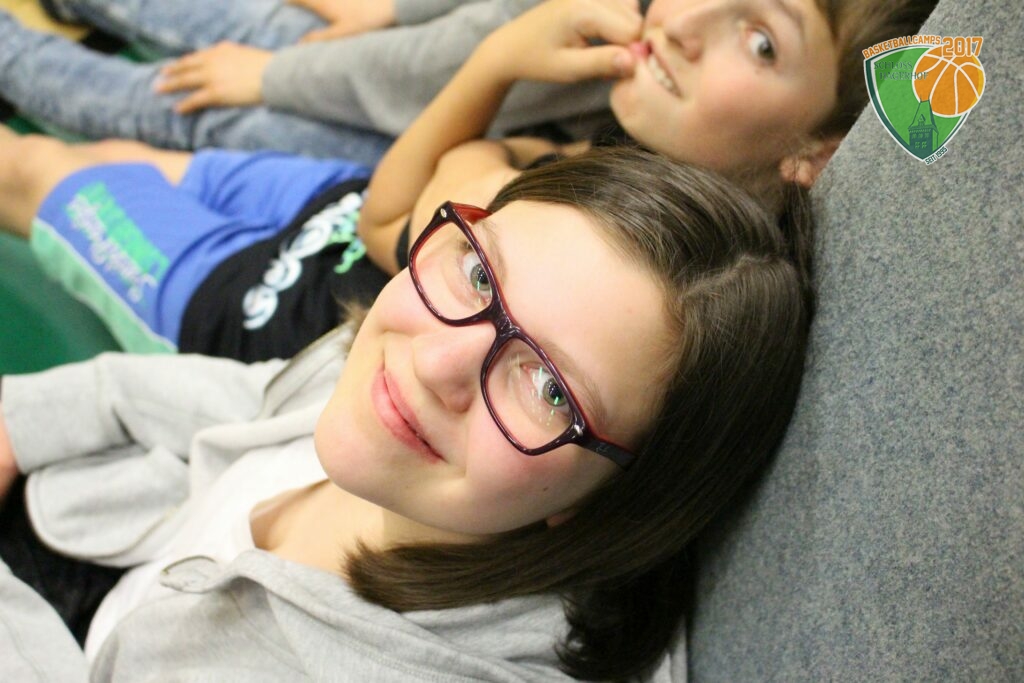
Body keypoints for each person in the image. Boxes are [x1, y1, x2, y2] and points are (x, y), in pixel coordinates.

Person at [0, 147, 813, 680]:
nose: (433, 363)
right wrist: (24, 420)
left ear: (619, 500)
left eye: (548, 389)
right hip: (100, 540)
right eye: (483, 275)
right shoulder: (405, 384)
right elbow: (261, 393)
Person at [0, 0, 936, 361]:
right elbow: (398, 205)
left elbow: (393, 221)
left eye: (762, 42)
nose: (687, 22)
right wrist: (489, 81)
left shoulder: (628, 251)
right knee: (117, 153)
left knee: (39, 167)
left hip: (269, 302)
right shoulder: (625, 144)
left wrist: (490, 75)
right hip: (321, 211)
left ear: (819, 151)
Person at [0, 0, 612, 163]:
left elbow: (440, 70)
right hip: (458, 78)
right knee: (268, 30)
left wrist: (271, 77)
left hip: (498, 150)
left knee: (213, 104)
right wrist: (391, 10)